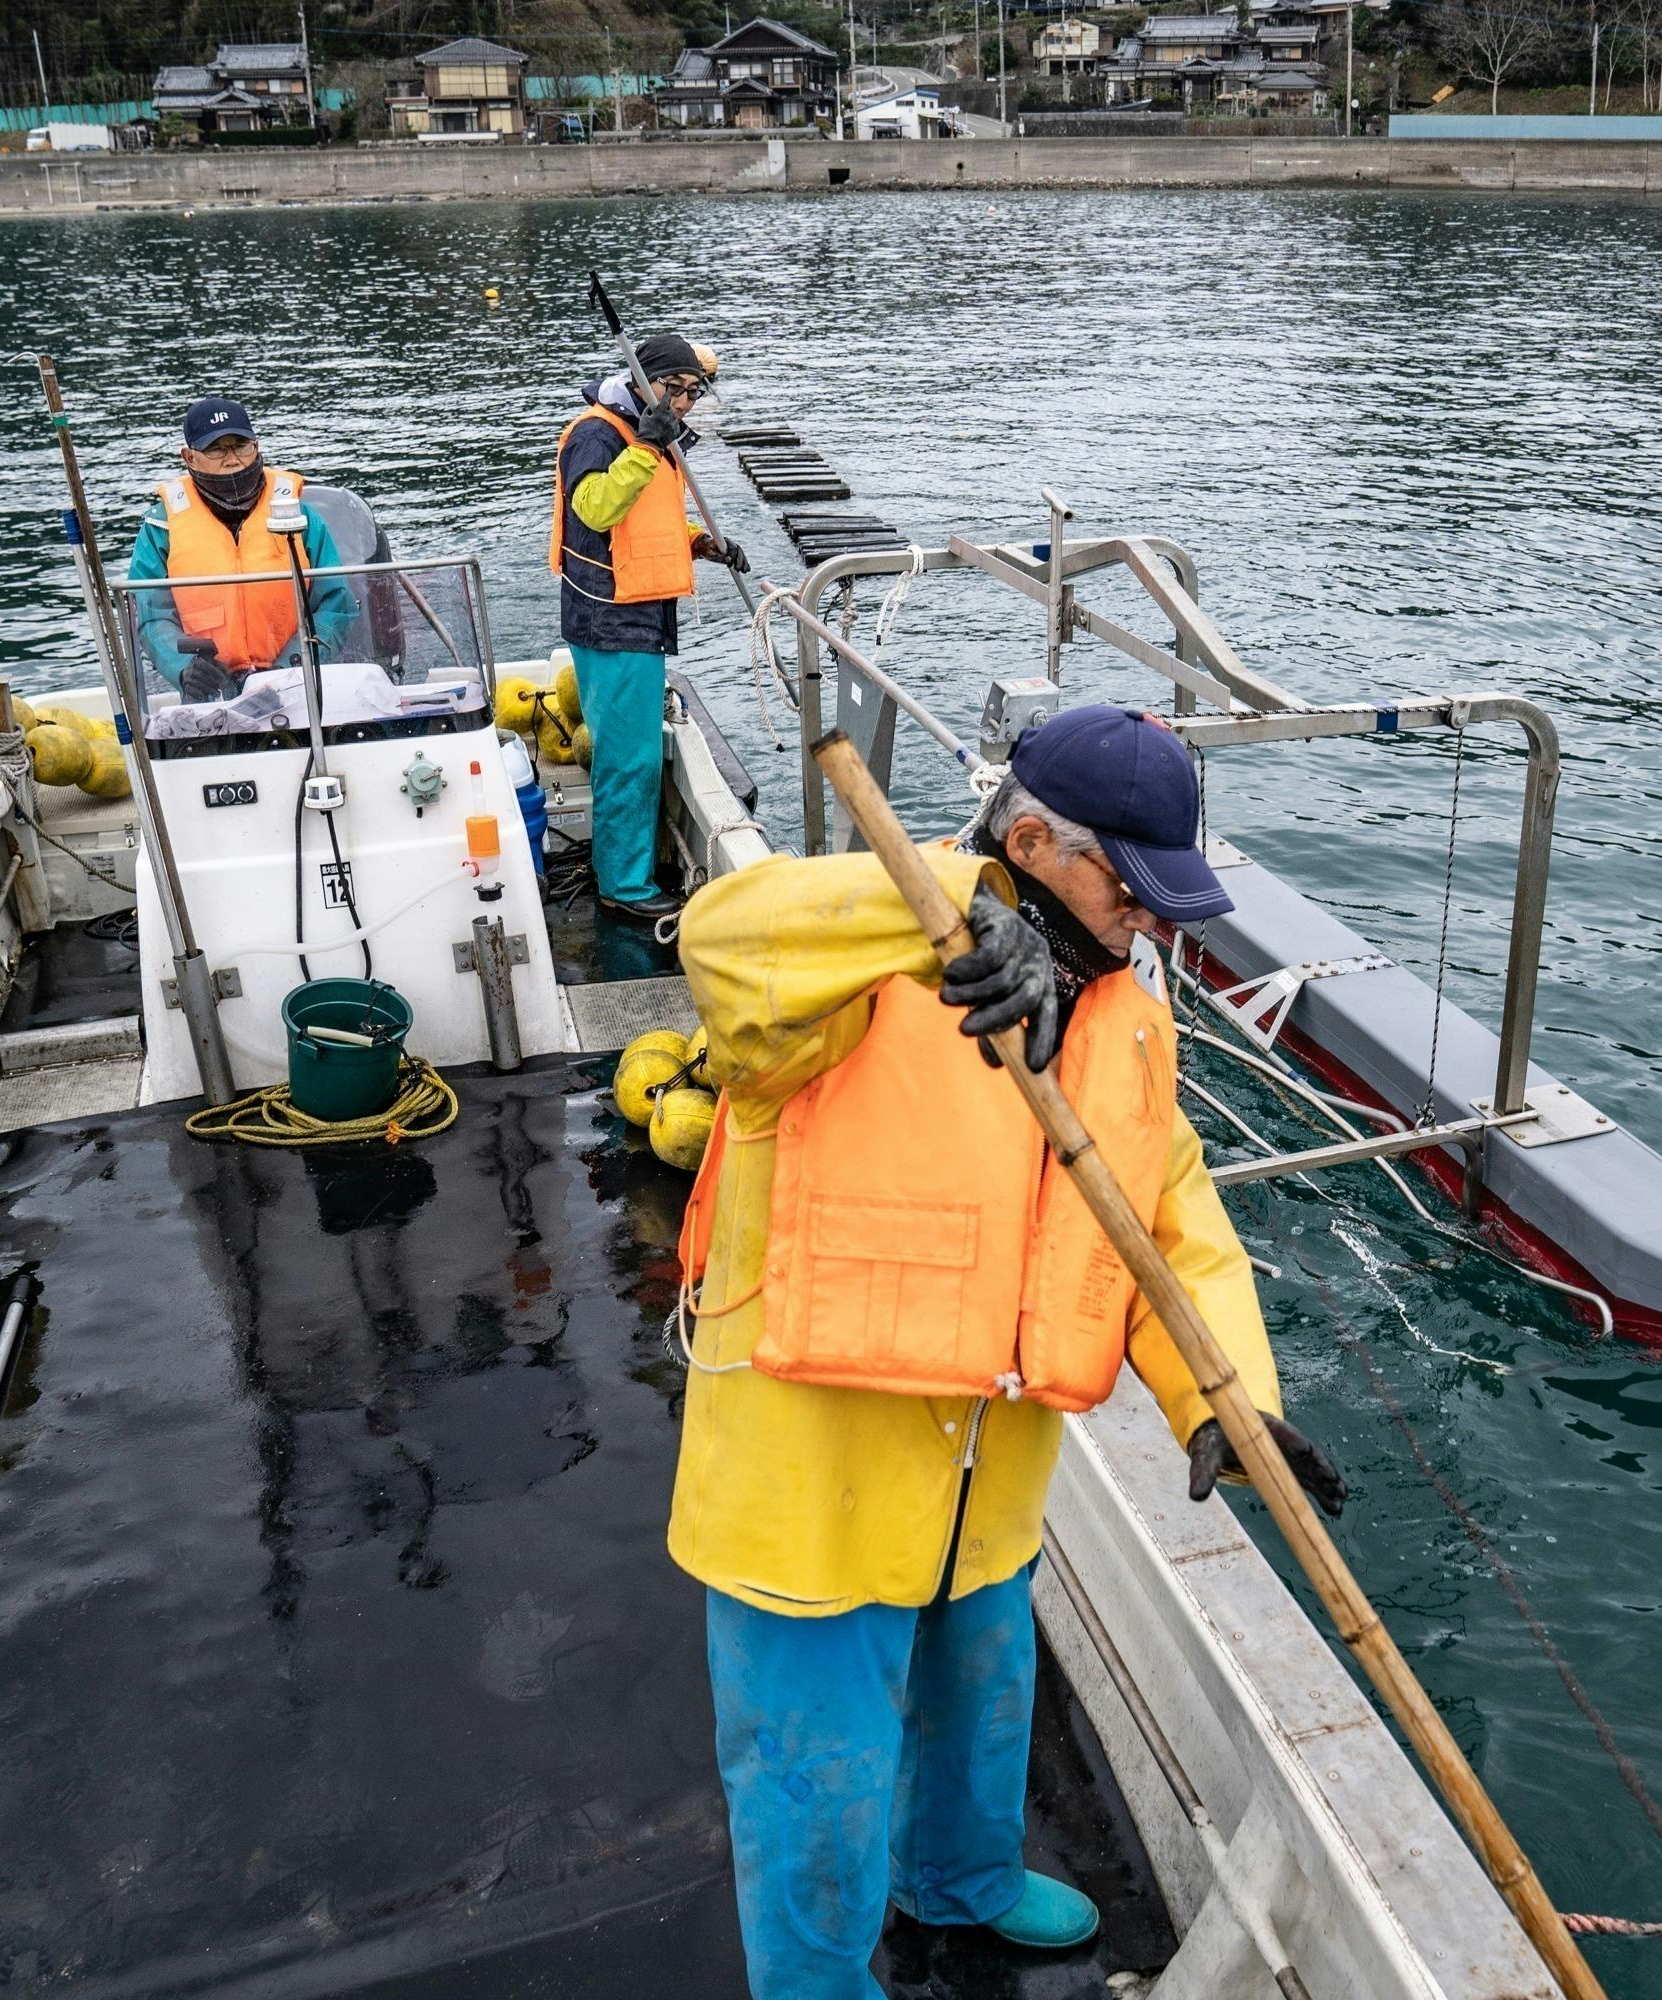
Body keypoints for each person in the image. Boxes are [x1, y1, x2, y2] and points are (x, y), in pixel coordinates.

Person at [669, 705, 1348, 1999]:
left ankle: (962, 1883)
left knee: (984, 1706)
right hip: (814, 1482)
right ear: (1031, 839)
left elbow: (1164, 1217)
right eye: (1131, 889)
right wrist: (953, 925)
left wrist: (1228, 1403)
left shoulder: (1125, 1014)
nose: (1153, 922)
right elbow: (725, 936)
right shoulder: (857, 957)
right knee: (817, 1783)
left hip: (990, 1469)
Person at [551, 334, 749, 925]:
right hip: (609, 614)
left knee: (632, 751)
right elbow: (594, 507)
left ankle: (625, 868)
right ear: (643, 380)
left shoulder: (649, 432)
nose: (685, 402)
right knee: (627, 757)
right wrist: (646, 444)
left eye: (694, 391)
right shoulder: (600, 432)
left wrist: (699, 542)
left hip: (640, 610)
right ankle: (624, 885)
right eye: (675, 388)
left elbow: (646, 518)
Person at [126, 397, 355, 702]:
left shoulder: (299, 514)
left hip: (297, 686)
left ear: (256, 447)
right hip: (210, 693)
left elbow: (336, 604)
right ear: (190, 457)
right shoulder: (161, 526)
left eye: (241, 445)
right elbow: (151, 616)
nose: (232, 459)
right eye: (217, 449)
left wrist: (291, 667)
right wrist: (185, 669)